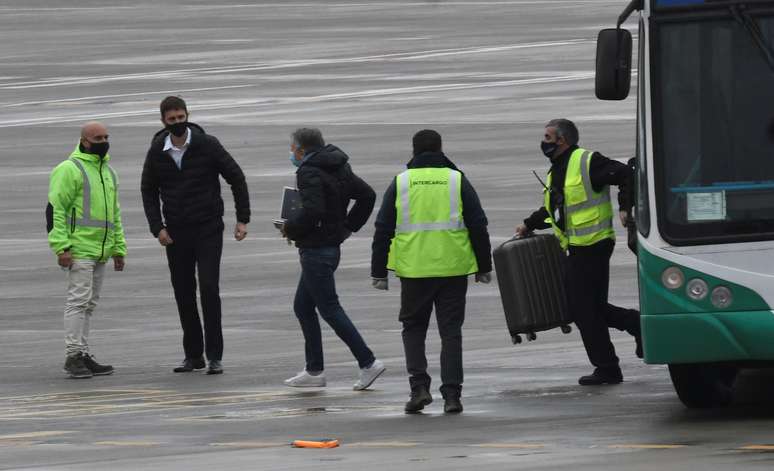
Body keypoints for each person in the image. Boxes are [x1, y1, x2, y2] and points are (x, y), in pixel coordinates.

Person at [371, 129, 492, 414]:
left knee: (414, 329)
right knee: (451, 332)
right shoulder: (456, 179)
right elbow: (478, 224)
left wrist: (379, 271)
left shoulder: (401, 182)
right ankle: (452, 395)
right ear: (440, 148)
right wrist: (484, 266)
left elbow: (383, 229)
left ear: (413, 151)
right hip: (452, 268)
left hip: (414, 271)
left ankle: (419, 388)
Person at [515, 119, 642, 386]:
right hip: (578, 247)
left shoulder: (587, 161)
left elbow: (627, 174)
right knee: (589, 308)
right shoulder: (556, 170)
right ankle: (634, 328)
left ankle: (609, 366)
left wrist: (625, 206)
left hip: (593, 244)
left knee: (582, 308)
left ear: (563, 140)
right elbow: (558, 210)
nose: (544, 142)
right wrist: (529, 224)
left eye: (548, 137)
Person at [141, 96, 250, 375]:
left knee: (209, 287)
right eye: (172, 120)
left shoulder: (207, 144)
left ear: (188, 115)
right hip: (176, 232)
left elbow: (236, 177)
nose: (178, 123)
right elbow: (148, 191)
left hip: (208, 227)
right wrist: (158, 227)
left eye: (181, 117)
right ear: (163, 121)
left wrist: (242, 219)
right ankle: (193, 355)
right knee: (183, 292)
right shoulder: (157, 151)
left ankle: (215, 355)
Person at [281, 128, 386, 391]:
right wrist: (348, 226)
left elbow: (313, 210)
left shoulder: (308, 171)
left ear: (302, 150)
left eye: (293, 149)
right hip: (329, 246)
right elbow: (367, 195)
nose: (292, 154)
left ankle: (368, 362)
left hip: (316, 249)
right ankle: (314, 370)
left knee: (329, 308)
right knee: (303, 307)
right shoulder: (338, 165)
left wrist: (290, 228)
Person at [47, 121, 126, 379]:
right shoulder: (69, 169)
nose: (103, 142)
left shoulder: (108, 172)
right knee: (78, 302)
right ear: (84, 140)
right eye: (97, 138)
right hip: (79, 248)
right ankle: (73, 355)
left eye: (106, 137)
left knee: (89, 305)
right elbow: (55, 210)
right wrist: (61, 247)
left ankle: (82, 351)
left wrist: (118, 248)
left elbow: (114, 214)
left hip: (101, 249)